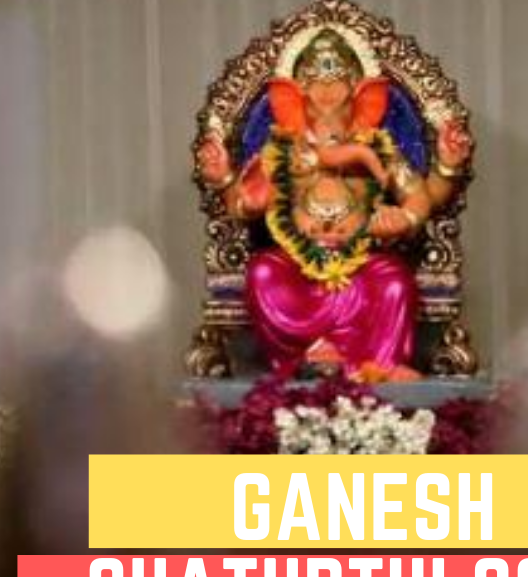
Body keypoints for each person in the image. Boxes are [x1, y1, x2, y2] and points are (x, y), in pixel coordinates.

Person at [196, 29, 473, 382]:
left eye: (339, 92)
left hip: (359, 264)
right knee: (263, 272)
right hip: (298, 266)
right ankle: (306, 357)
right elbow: (240, 204)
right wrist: (226, 181)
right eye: (315, 90)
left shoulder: (378, 149)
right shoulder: (282, 150)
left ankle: (374, 364)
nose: (327, 97)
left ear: (363, 97)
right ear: (294, 98)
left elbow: (421, 196)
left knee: (393, 279)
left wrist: (415, 204)